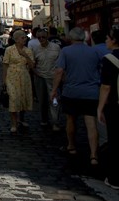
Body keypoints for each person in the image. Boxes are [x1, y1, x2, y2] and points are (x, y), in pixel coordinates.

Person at [52, 27, 100, 166]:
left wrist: (54, 90)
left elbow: (59, 71)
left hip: (72, 91)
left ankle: (71, 146)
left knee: (71, 120)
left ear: (71, 38)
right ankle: (93, 155)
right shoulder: (93, 51)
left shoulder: (66, 51)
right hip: (91, 92)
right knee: (91, 124)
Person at [97, 28, 119, 190]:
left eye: (108, 38)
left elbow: (105, 87)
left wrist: (100, 108)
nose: (106, 41)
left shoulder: (109, 59)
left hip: (115, 105)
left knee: (115, 141)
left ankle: (115, 178)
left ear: (114, 40)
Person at [2, 29, 34, 134]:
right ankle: (14, 123)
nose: (25, 39)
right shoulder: (9, 50)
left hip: (24, 77)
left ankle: (21, 119)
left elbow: (32, 66)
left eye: (25, 37)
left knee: (22, 98)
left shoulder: (28, 50)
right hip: (12, 77)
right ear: (16, 39)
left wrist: (25, 55)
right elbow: (5, 65)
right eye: (22, 37)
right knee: (14, 99)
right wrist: (4, 80)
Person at [33, 29, 62, 130]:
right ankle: (44, 119)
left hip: (53, 78)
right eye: (39, 38)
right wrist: (35, 72)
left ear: (47, 36)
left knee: (54, 100)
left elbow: (61, 63)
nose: (41, 39)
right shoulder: (36, 49)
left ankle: (55, 121)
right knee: (42, 100)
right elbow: (33, 64)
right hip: (40, 77)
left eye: (43, 37)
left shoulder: (56, 48)